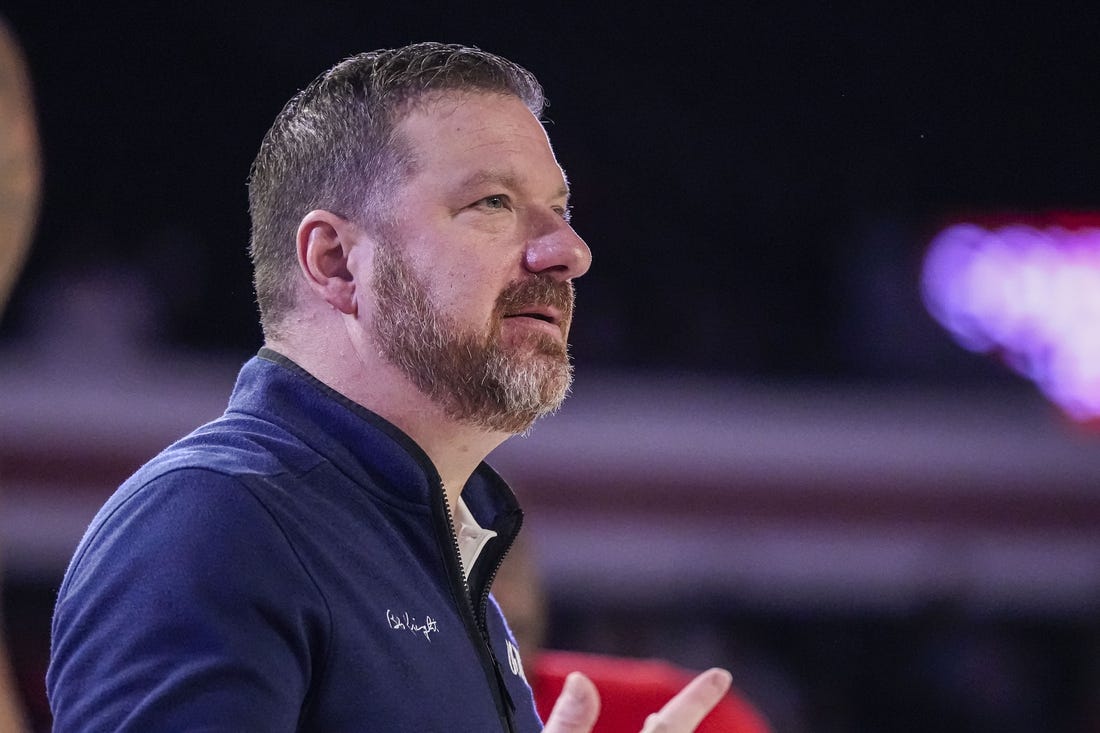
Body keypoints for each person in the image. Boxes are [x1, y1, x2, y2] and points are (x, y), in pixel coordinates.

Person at [46, 42, 731, 732]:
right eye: (492, 202)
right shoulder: (212, 520)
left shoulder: (433, 562)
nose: (568, 250)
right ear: (337, 261)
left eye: (559, 208)